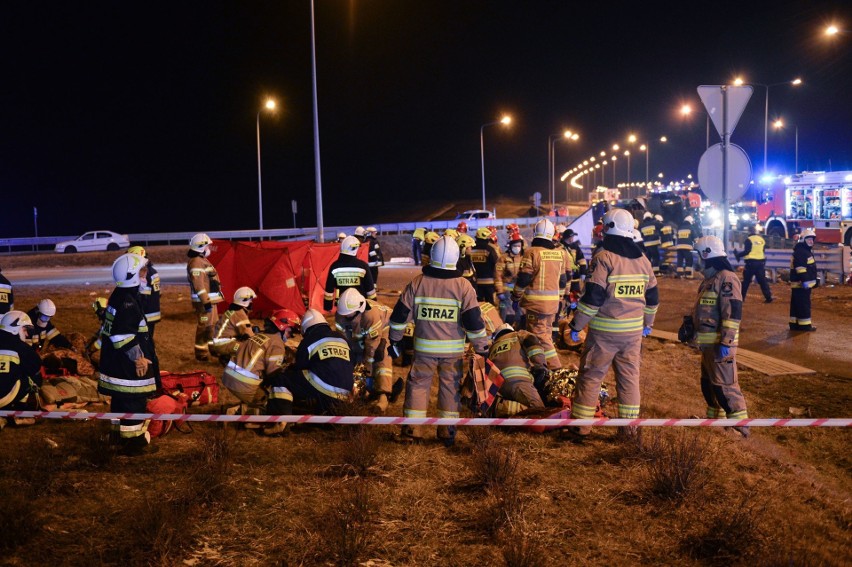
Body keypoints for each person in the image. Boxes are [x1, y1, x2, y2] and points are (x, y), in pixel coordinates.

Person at [564, 208, 659, 441]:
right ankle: (629, 431)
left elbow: (593, 298)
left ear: (608, 228)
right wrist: (648, 323)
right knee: (629, 380)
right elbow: (653, 297)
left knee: (591, 377)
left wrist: (577, 326)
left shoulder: (604, 257)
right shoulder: (643, 260)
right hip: (633, 334)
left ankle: (581, 428)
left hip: (604, 333)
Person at [388, 235, 489, 445]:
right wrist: (482, 348)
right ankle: (447, 432)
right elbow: (474, 322)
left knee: (417, 386)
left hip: (423, 350)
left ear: (432, 256)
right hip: (452, 353)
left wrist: (395, 340)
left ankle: (412, 431)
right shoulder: (463, 286)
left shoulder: (417, 283)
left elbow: (399, 317)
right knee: (450, 388)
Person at [685, 235, 750, 437]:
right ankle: (716, 422)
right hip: (708, 345)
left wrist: (726, 340)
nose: (694, 259)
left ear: (706, 255)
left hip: (720, 345)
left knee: (725, 388)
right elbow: (706, 310)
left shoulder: (727, 279)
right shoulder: (710, 280)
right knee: (709, 386)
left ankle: (740, 429)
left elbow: (733, 312)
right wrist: (689, 324)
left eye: (697, 254)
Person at [97, 253, 160, 455]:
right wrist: (139, 358)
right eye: (142, 272)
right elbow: (122, 336)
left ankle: (117, 437)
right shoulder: (128, 302)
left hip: (116, 364)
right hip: (127, 367)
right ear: (132, 275)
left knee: (120, 402)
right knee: (133, 402)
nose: (145, 276)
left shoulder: (121, 296)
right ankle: (133, 444)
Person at [222, 308, 300, 436]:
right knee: (271, 405)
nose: (291, 336)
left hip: (229, 376)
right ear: (283, 327)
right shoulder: (277, 344)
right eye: (290, 332)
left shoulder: (259, 336)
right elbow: (273, 374)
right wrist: (288, 368)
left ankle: (244, 409)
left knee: (261, 395)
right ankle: (237, 413)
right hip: (244, 383)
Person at [270, 308, 354, 426]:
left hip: (323, 385)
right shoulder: (342, 338)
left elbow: (300, 367)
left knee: (282, 379)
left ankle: (280, 421)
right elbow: (351, 364)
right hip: (345, 394)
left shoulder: (309, 340)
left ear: (306, 329)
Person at [511, 219, 574, 370]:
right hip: (552, 304)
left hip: (536, 305)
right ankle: (541, 367)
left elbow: (524, 277)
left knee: (540, 337)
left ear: (535, 233)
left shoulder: (532, 252)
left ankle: (555, 368)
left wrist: (516, 296)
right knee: (544, 335)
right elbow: (563, 280)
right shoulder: (559, 253)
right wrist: (559, 298)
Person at [335, 288, 393, 413]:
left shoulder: (370, 315)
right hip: (364, 333)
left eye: (349, 314)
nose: (346, 316)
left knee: (381, 357)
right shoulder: (341, 314)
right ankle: (360, 391)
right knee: (356, 357)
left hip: (385, 327)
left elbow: (371, 348)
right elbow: (344, 340)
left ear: (359, 309)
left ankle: (383, 395)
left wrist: (368, 375)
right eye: (344, 314)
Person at [488, 323, 546, 410]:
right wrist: (541, 366)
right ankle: (500, 409)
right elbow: (532, 343)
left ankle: (501, 408)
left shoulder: (491, 348)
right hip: (518, 382)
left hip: (500, 389)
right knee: (538, 408)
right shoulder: (517, 335)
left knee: (519, 408)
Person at [0, 311, 42, 428]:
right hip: (4, 398)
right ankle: (21, 411)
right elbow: (36, 365)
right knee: (34, 377)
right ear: (15, 328)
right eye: (25, 330)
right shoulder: (20, 346)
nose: (27, 335)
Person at [187, 233, 224, 361]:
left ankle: (213, 350)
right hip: (204, 303)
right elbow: (199, 284)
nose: (209, 248)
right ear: (201, 246)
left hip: (209, 301)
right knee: (204, 327)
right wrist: (205, 301)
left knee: (211, 326)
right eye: (207, 246)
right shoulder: (197, 262)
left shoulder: (201, 260)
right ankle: (201, 353)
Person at [323, 236, 377, 312]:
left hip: (341, 307)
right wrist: (373, 306)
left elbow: (329, 291)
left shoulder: (334, 266)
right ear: (354, 249)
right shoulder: (363, 266)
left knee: (341, 324)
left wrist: (327, 307)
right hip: (360, 306)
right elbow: (370, 290)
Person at [209, 287, 257, 363]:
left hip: (217, 344)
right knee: (248, 348)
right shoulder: (240, 314)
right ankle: (229, 359)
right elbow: (249, 334)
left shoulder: (232, 311)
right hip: (223, 345)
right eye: (250, 300)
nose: (252, 302)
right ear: (244, 301)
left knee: (242, 340)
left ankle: (226, 356)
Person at [128, 246, 162, 340]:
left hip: (146, 314)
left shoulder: (144, 272)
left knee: (143, 342)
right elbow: (158, 293)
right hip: (153, 312)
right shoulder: (152, 270)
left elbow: (143, 296)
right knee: (148, 340)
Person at [789, 228, 818, 332]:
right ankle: (805, 326)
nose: (811, 241)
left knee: (797, 304)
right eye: (808, 239)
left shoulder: (802, 250)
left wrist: (814, 280)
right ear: (803, 240)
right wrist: (806, 281)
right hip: (801, 284)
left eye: (812, 239)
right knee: (804, 305)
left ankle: (794, 324)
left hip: (799, 284)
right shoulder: (802, 252)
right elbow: (800, 269)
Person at [734, 226, 773, 303]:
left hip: (750, 264)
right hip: (760, 263)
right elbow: (763, 250)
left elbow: (747, 251)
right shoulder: (761, 239)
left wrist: (738, 255)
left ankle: (741, 298)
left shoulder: (749, 240)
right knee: (762, 281)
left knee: (746, 281)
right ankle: (768, 298)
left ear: (749, 232)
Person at [495, 232, 524, 324]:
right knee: (504, 312)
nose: (517, 248)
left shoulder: (524, 257)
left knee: (521, 313)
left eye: (519, 246)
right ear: (510, 246)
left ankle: (519, 330)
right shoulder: (503, 258)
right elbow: (498, 275)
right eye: (515, 245)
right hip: (506, 292)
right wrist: (499, 291)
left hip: (520, 291)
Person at [560, 228, 587, 294]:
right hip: (565, 277)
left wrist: (583, 273)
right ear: (569, 237)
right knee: (565, 295)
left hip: (575, 278)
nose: (573, 238)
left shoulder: (575, 246)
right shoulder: (560, 247)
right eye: (572, 237)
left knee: (575, 296)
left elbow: (582, 260)